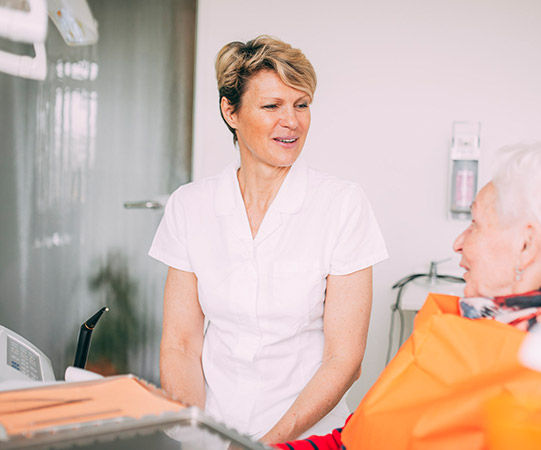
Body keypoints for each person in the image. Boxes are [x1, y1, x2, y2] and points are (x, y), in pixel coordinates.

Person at [276, 142, 541, 450]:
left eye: (476, 224)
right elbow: (357, 438)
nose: (458, 244)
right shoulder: (457, 325)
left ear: (526, 245)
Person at [148, 35, 388, 443]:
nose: (291, 121)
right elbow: (181, 344)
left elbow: (343, 359)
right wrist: (197, 434)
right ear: (231, 111)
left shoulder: (342, 204)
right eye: (272, 106)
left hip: (305, 434)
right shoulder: (190, 206)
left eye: (302, 104)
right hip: (214, 429)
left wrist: (268, 444)